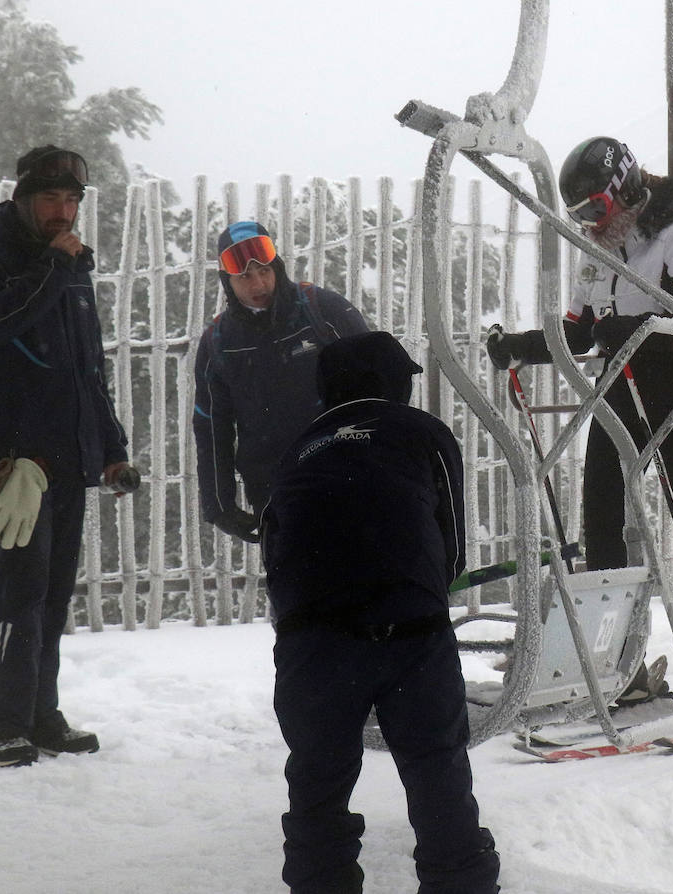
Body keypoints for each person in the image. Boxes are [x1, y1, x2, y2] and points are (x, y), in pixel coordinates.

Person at [485, 136, 673, 705]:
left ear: (625, 191)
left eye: (595, 208)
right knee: (600, 522)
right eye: (579, 215)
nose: (590, 223)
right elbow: (577, 331)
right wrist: (519, 345)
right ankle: (614, 664)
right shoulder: (598, 249)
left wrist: (637, 333)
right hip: (621, 391)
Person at [262, 331, 501, 894]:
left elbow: (275, 545)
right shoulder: (421, 433)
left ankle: (320, 883)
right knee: (435, 769)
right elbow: (451, 545)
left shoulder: (299, 449)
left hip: (311, 635)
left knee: (318, 777)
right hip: (407, 624)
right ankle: (458, 882)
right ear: (392, 384)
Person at [0, 145, 132, 767]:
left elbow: (89, 371)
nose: (63, 211)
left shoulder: (69, 267)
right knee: (20, 594)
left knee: (54, 597)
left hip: (67, 459)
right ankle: (0, 726)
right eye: (52, 199)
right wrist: (55, 269)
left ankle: (40, 715)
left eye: (73, 200)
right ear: (24, 198)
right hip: (14, 463)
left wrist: (110, 449)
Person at [193, 221, 368, 544]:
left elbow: (379, 374)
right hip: (274, 488)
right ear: (228, 282)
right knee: (297, 587)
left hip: (347, 472)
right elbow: (211, 426)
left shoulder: (322, 309)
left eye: (265, 271)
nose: (258, 283)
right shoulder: (218, 341)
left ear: (278, 268)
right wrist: (219, 505)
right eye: (244, 276)